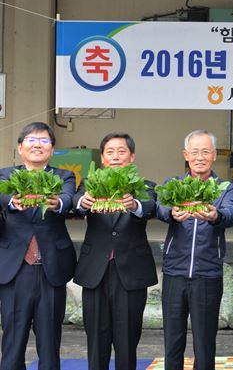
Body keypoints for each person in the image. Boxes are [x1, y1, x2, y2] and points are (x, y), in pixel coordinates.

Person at [74, 132, 158, 370]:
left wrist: (135, 205)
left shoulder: (144, 186)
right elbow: (76, 203)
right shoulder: (88, 186)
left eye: (122, 151)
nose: (116, 157)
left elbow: (151, 206)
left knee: (128, 340)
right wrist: (83, 202)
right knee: (96, 340)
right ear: (102, 158)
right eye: (110, 152)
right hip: (95, 273)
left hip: (131, 273)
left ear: (131, 157)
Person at [157, 130, 233, 370]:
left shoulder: (225, 188)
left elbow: (231, 214)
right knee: (173, 341)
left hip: (208, 274)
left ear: (214, 156)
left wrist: (216, 215)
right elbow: (160, 209)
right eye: (194, 152)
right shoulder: (173, 184)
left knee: (204, 344)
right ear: (186, 155)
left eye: (205, 151)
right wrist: (171, 213)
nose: (199, 157)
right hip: (174, 272)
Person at [0, 122, 77, 369]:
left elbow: (67, 198)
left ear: (52, 149)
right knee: (13, 340)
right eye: (31, 140)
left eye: (44, 141)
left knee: (49, 341)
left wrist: (57, 203)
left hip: (50, 269)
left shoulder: (63, 175)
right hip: (15, 270)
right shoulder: (6, 175)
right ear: (20, 147)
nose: (37, 145)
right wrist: (11, 201)